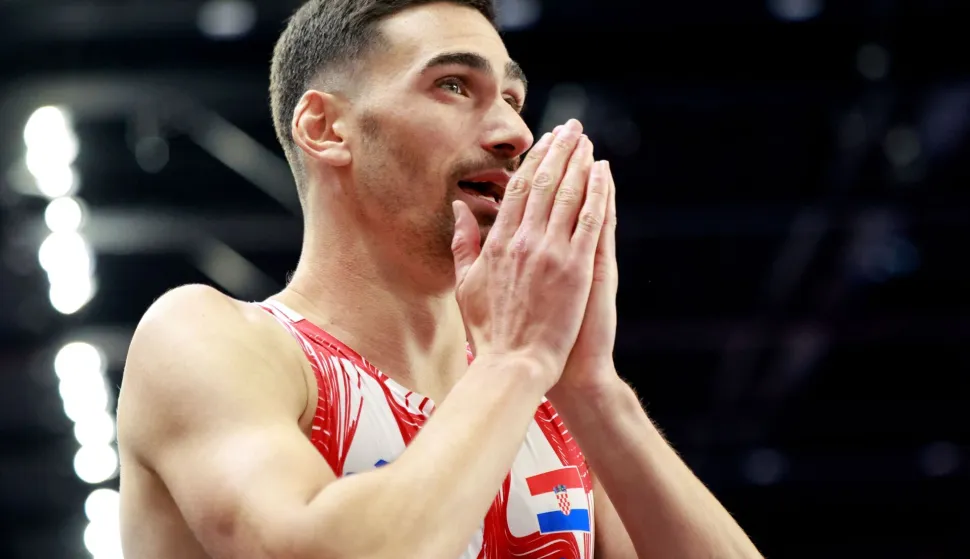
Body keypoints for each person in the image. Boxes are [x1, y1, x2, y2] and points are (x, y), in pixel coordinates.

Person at [116, 1, 763, 558]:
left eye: (512, 99)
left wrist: (593, 388)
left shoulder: (546, 397)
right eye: (454, 85)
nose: (514, 132)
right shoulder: (207, 338)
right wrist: (516, 360)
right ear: (325, 127)